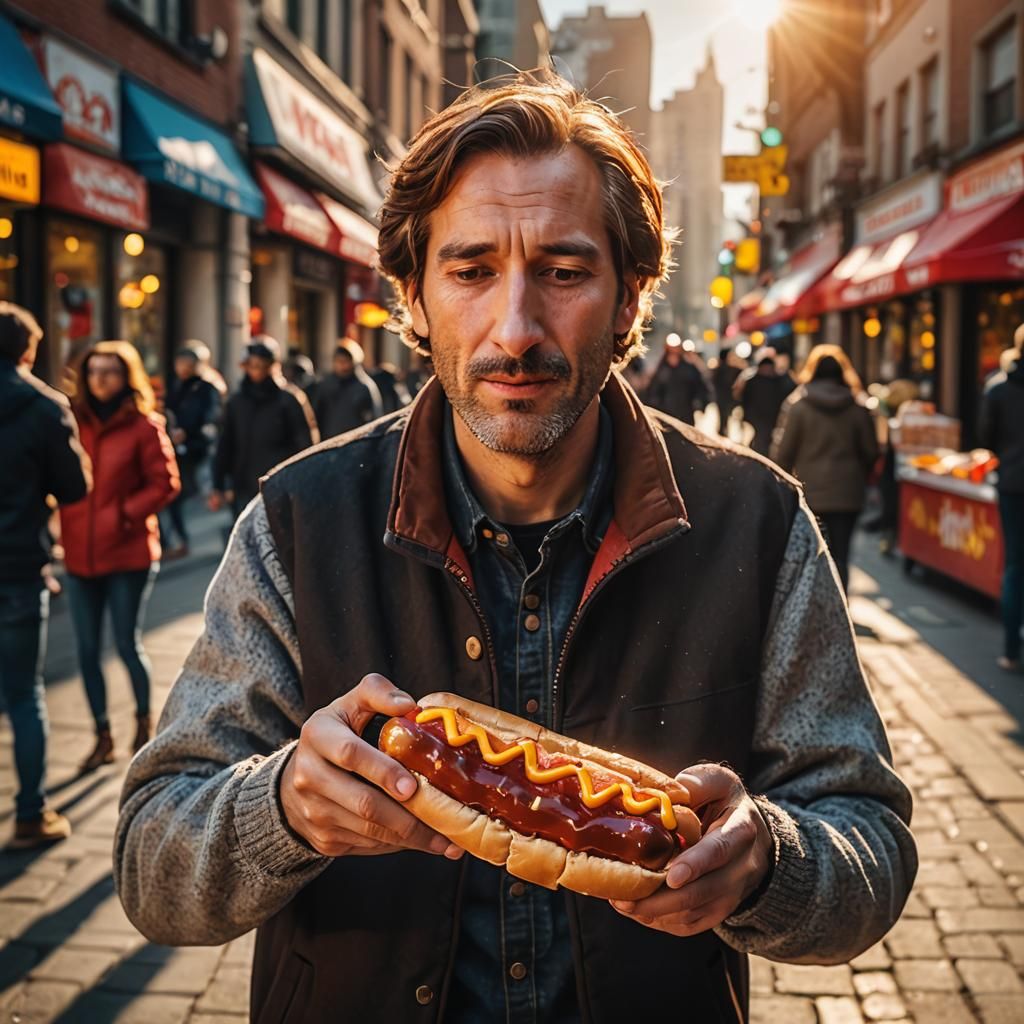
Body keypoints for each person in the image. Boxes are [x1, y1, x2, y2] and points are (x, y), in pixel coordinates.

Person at [115, 70, 915, 1022]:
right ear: (413, 298)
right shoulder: (297, 523)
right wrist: (280, 808)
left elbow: (869, 842)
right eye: (471, 270)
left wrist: (769, 864)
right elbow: (150, 867)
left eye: (566, 272)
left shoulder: (759, 521)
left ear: (630, 298)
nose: (517, 328)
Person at [60, 341, 180, 773]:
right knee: (86, 650)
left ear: (125, 376)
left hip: (128, 553)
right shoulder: (72, 421)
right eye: (94, 371)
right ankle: (101, 735)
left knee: (126, 644)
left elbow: (165, 483)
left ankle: (143, 725)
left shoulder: (144, 426)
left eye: (110, 371)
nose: (100, 379)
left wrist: (125, 515)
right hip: (78, 554)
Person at [0, 305, 91, 847]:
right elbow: (75, 487)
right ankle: (31, 814)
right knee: (23, 694)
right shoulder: (44, 406)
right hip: (17, 568)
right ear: (28, 351)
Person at [771, 346, 879, 592]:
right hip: (848, 493)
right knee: (841, 554)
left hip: (811, 490)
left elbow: (783, 453)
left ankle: (815, 606)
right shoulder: (857, 407)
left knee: (814, 554)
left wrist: (782, 487)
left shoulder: (799, 405)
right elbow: (871, 451)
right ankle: (839, 606)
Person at [210, 336, 318, 521]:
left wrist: (306, 483)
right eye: (251, 365)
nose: (255, 370)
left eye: (260, 364)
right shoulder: (237, 401)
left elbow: (306, 445)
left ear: (272, 365)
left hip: (280, 484)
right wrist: (218, 485)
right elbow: (226, 443)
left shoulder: (290, 399)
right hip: (243, 483)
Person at [979, 337, 1024, 671]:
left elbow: (986, 438)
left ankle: (1011, 650)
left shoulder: (998, 390)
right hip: (1012, 480)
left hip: (1012, 482)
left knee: (1015, 564)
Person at [163, 346, 222, 558]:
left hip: (199, 448)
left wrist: (188, 431)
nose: (184, 369)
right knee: (175, 495)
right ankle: (179, 539)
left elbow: (210, 416)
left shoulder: (207, 388)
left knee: (195, 493)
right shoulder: (176, 387)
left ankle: (190, 539)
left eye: (189, 364)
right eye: (181, 364)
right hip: (178, 448)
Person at [313, 338, 383, 438]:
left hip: (356, 444)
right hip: (329, 444)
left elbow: (374, 420)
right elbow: (317, 416)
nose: (342, 366)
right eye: (339, 361)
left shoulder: (365, 386)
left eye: (345, 361)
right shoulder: (326, 385)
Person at [734, 348, 795, 455]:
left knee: (766, 442)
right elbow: (743, 399)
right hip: (758, 418)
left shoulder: (779, 381)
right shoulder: (752, 380)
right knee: (761, 442)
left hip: (770, 418)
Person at [643, 338, 710, 425]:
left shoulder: (689, 368)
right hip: (665, 417)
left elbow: (701, 387)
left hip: (686, 415)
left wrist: (700, 404)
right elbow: (653, 390)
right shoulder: (662, 369)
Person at [712, 346, 744, 436]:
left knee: (723, 418)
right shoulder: (729, 369)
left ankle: (723, 432)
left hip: (721, 396)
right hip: (727, 397)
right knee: (725, 417)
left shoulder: (717, 368)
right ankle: (723, 433)